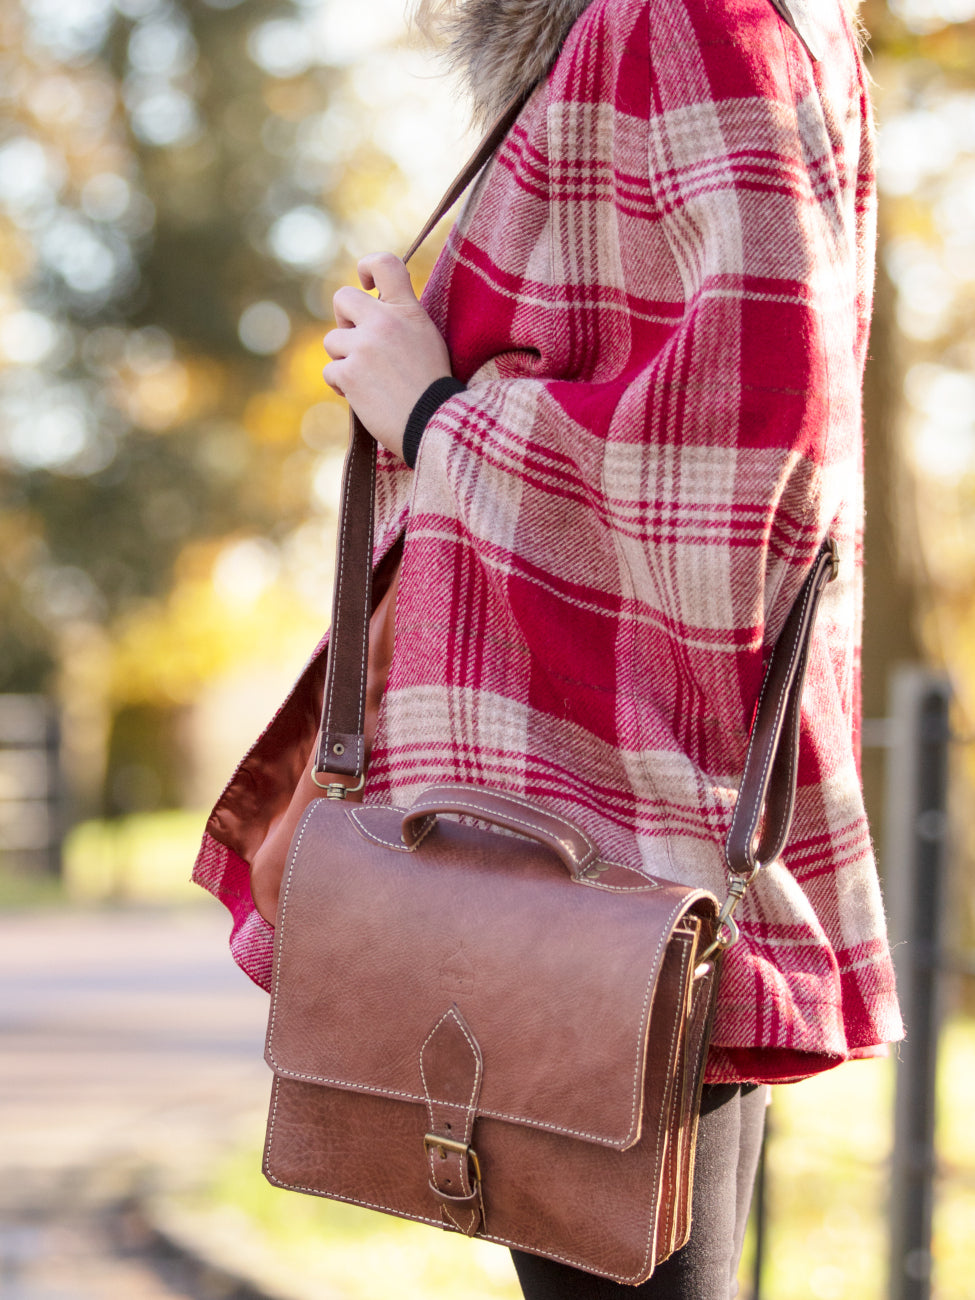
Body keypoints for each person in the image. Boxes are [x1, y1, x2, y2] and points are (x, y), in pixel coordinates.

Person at [193, 0, 903, 1294]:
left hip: (617, 824)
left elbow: (754, 455)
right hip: (590, 819)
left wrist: (430, 408)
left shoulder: (694, 16)